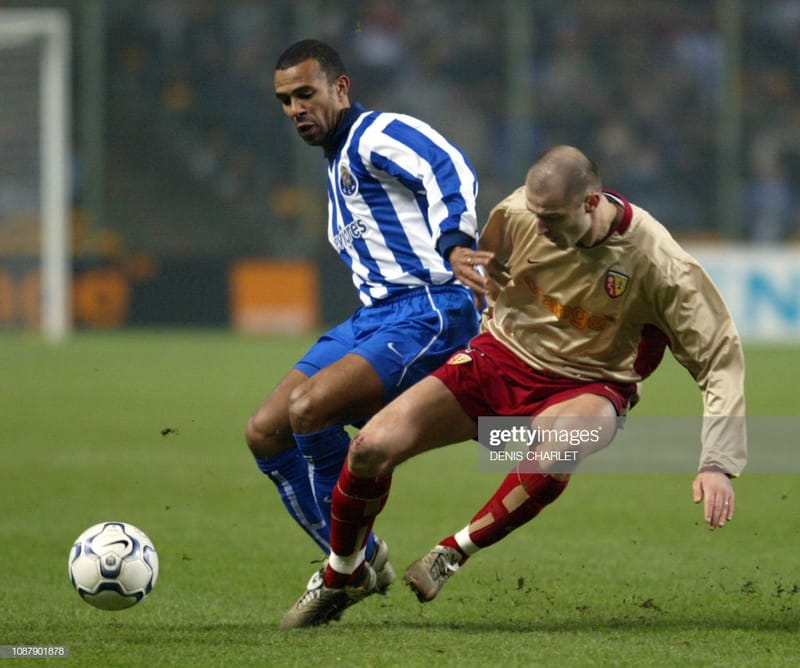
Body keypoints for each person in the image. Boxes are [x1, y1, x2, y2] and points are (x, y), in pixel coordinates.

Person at [279, 144, 747, 629]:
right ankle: (342, 573)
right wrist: (484, 290)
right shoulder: (521, 211)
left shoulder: (660, 262)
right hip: (498, 360)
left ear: (591, 202)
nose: (540, 226)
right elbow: (489, 259)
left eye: (552, 218)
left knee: (558, 449)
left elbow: (720, 360)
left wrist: (717, 464)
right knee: (371, 448)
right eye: (536, 213)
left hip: (589, 386)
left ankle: (452, 552)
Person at [246, 39, 492, 597]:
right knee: (265, 430)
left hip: (429, 307)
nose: (295, 110)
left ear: (341, 88)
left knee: (310, 409)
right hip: (375, 317)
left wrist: (455, 242)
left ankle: (344, 563)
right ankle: (358, 557)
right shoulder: (336, 166)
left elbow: (446, 165)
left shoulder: (373, 135)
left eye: (305, 94)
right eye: (285, 100)